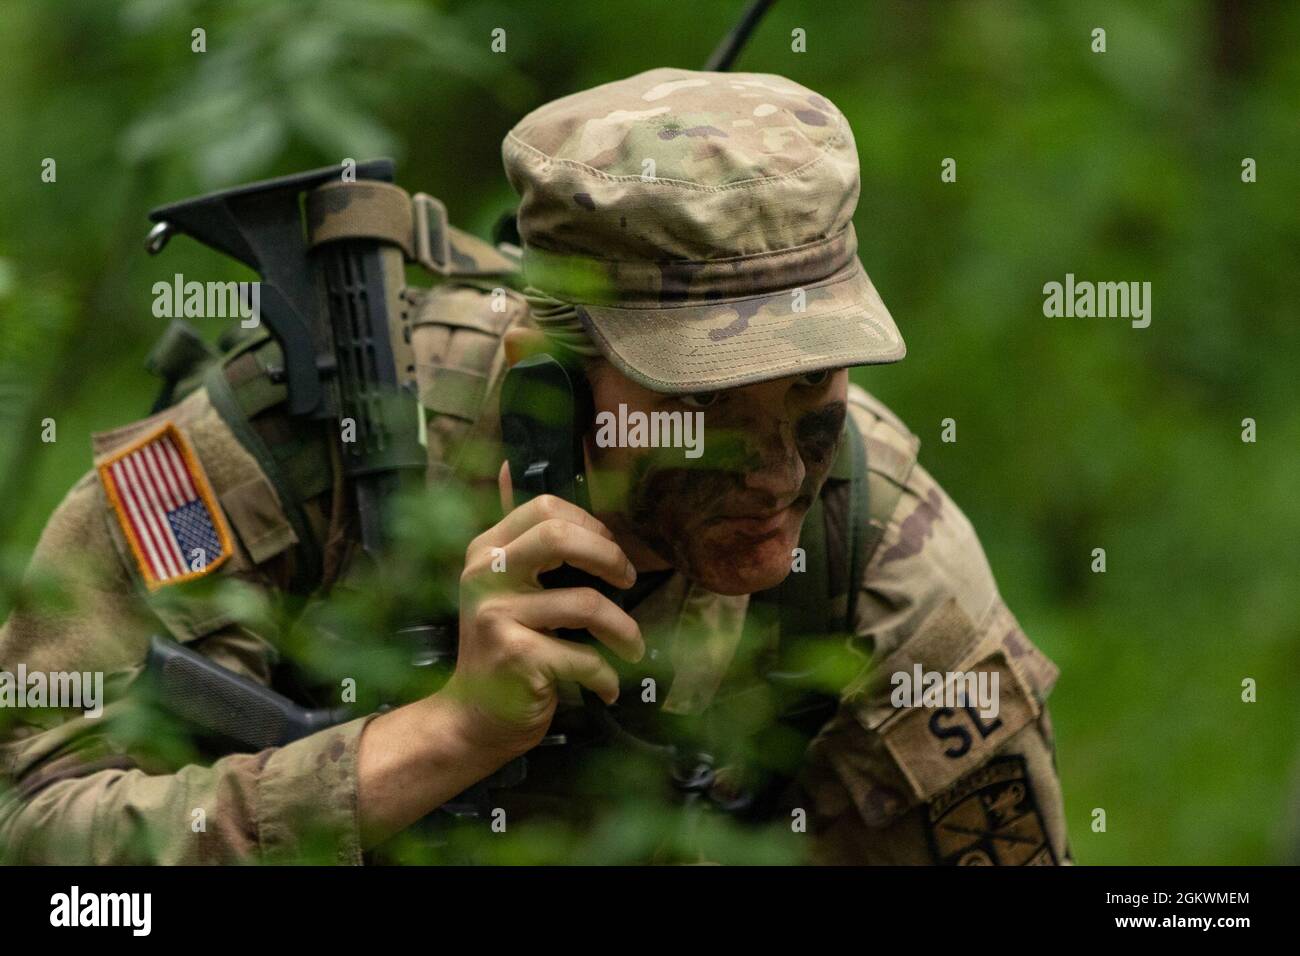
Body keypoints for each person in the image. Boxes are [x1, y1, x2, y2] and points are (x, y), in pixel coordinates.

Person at [0, 67, 1069, 865]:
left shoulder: (881, 547)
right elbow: (42, 856)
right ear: (546, 377)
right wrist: (431, 741)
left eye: (809, 392)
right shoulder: (287, 455)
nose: (778, 471)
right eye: (704, 405)